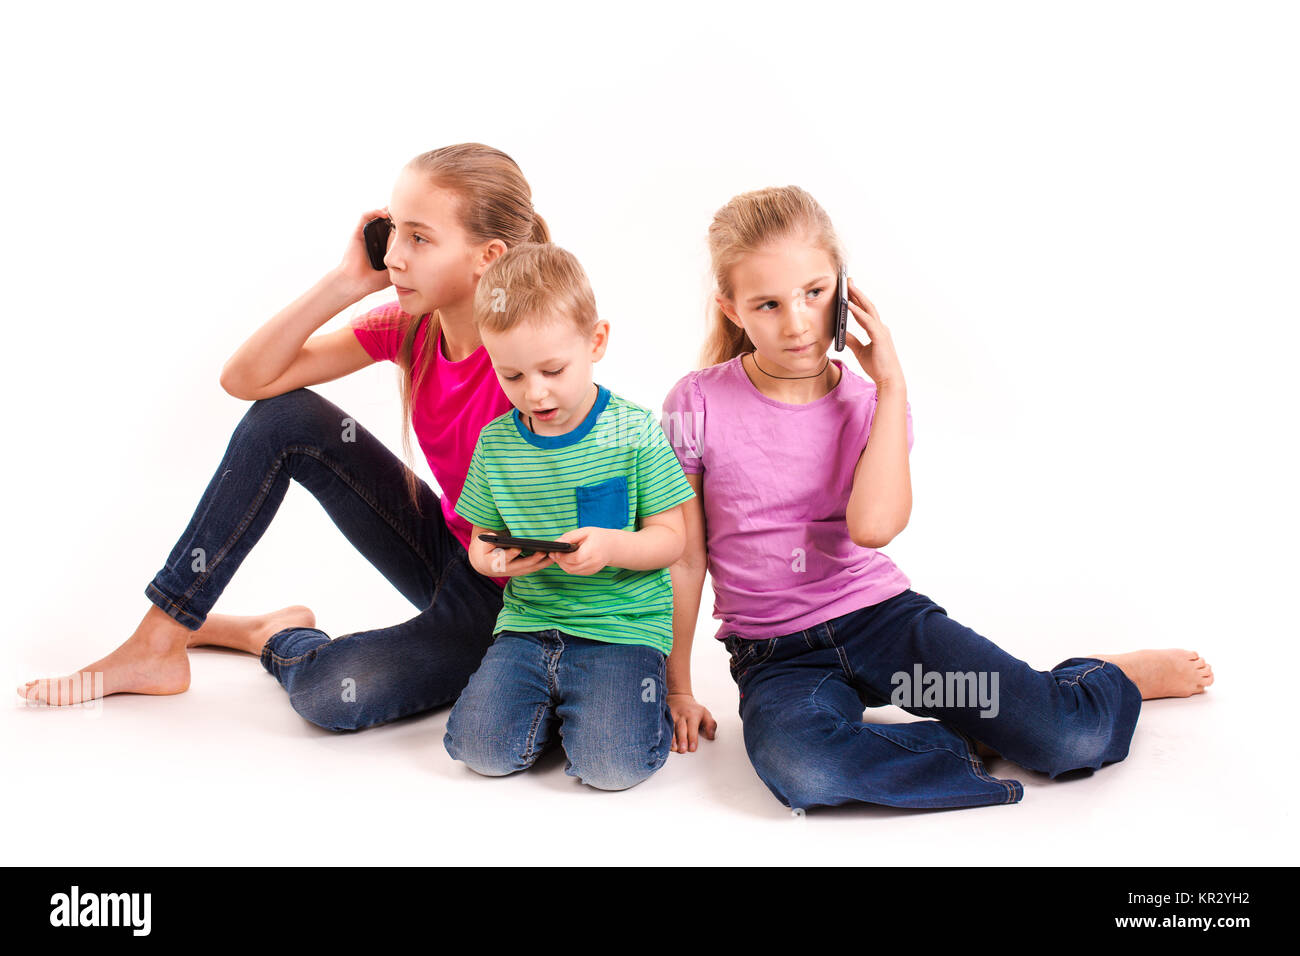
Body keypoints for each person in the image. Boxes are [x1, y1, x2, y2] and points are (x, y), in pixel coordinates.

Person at [660, 185, 1215, 810]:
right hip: (779, 657)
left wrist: (891, 384)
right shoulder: (696, 403)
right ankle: (996, 725)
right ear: (732, 310)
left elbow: (872, 528)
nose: (796, 322)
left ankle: (1094, 681)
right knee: (804, 769)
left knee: (1068, 737)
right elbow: (684, 556)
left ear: (843, 288)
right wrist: (678, 686)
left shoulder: (872, 404)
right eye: (767, 303)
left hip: (884, 628)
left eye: (814, 293)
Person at [19, 143, 550, 732]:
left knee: (332, 694)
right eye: (393, 231)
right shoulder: (412, 329)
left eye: (420, 239)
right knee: (284, 417)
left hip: (519, 599)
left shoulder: (533, 364)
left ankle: (272, 633)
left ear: (488, 257)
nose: (395, 257)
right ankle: (160, 638)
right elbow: (248, 380)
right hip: (452, 551)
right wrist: (346, 282)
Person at [443, 242, 696, 790]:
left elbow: (671, 540)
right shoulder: (495, 444)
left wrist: (613, 547)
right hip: (530, 627)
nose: (534, 393)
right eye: (510, 376)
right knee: (478, 749)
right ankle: (567, 710)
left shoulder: (634, 430)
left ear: (596, 342)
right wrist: (492, 561)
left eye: (553, 369)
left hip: (621, 629)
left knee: (612, 767)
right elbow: (480, 541)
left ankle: (600, 711)